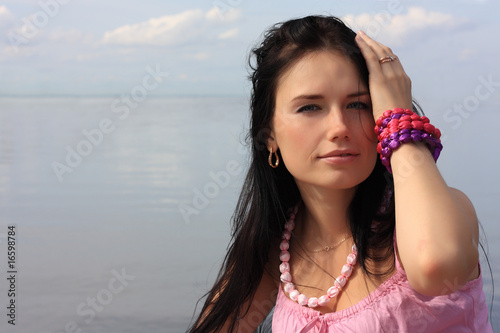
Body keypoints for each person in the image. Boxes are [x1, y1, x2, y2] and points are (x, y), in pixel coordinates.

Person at [188, 15, 493, 332]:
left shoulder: (443, 216)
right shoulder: (277, 247)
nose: (339, 128)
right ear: (269, 135)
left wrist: (400, 123)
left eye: (359, 105)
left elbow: (436, 266)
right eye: (310, 107)